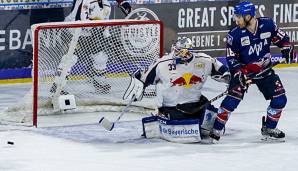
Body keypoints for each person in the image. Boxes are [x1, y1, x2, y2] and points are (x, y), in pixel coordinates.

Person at [209, 1, 297, 141]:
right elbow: (231, 58)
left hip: (265, 70)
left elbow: (282, 39)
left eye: (238, 16)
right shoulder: (235, 34)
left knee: (280, 100)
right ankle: (216, 129)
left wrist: (286, 48)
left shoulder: (268, 24)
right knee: (231, 101)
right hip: (244, 72)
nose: (236, 20)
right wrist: (238, 73)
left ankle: (269, 128)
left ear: (249, 16)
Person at [125, 37, 230, 142]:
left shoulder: (204, 60)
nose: (175, 53)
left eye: (179, 51)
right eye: (176, 50)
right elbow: (144, 78)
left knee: (210, 128)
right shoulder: (163, 63)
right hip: (173, 108)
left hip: (197, 105)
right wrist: (137, 87)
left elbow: (223, 71)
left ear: (188, 52)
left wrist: (232, 78)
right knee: (188, 129)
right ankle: (164, 115)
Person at [50, 0, 132, 96]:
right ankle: (58, 84)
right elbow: (81, 19)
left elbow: (105, 26)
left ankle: (99, 81)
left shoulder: (106, 5)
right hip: (74, 30)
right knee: (70, 58)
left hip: (92, 35)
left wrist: (108, 37)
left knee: (101, 57)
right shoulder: (86, 2)